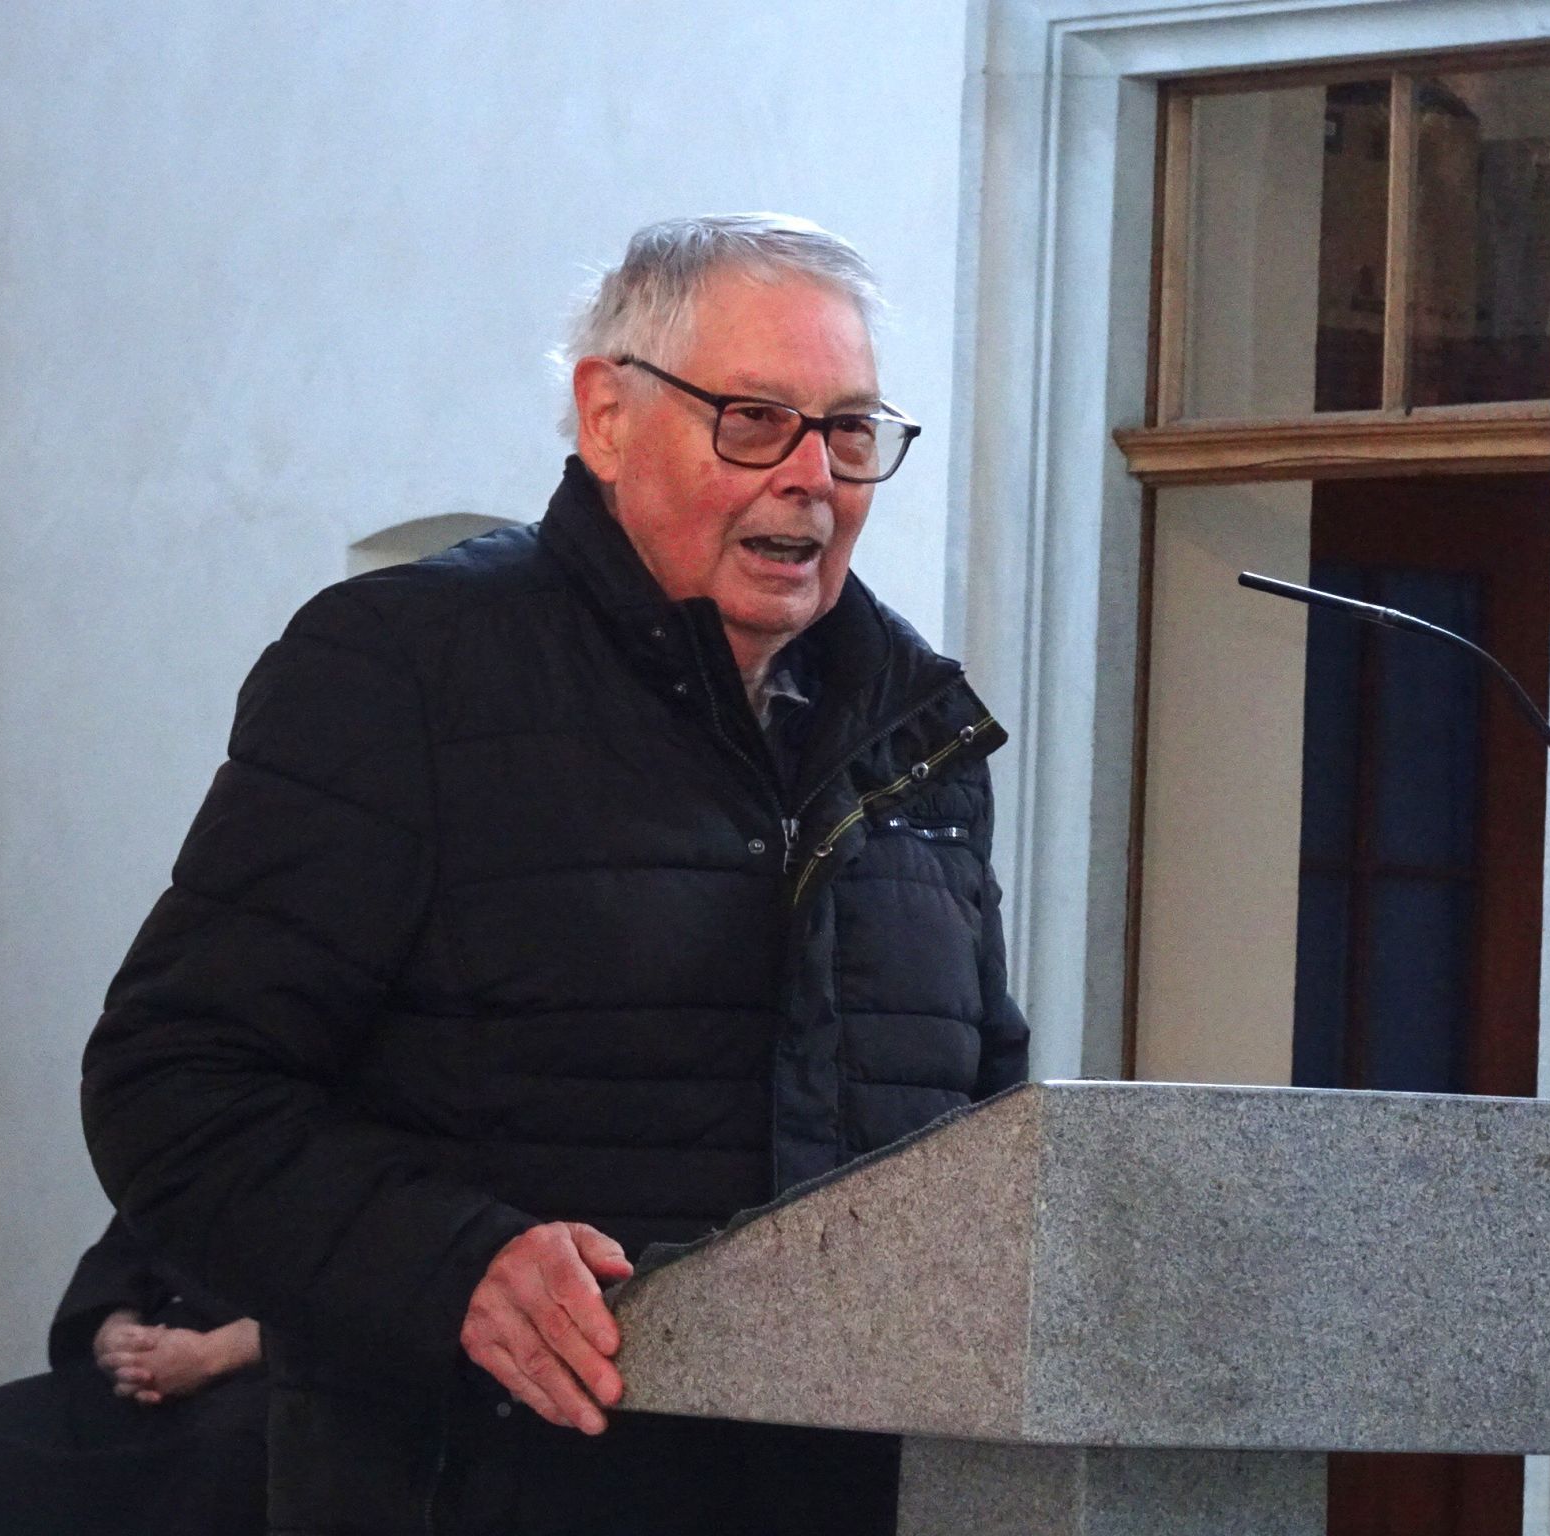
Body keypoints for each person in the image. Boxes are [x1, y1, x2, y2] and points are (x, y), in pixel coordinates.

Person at [81, 214, 1028, 1536]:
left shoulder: (918, 732)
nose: (813, 477)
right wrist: (453, 1266)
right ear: (608, 417)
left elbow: (985, 1133)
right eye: (754, 420)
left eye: (851, 430)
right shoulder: (405, 671)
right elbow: (173, 1089)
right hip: (481, 1487)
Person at [0, 1216, 268, 1535]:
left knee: (226, 1456)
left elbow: (323, 1301)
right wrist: (116, 1330)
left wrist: (213, 1354)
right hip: (167, 1345)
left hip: (286, 1365)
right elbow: (130, 1239)